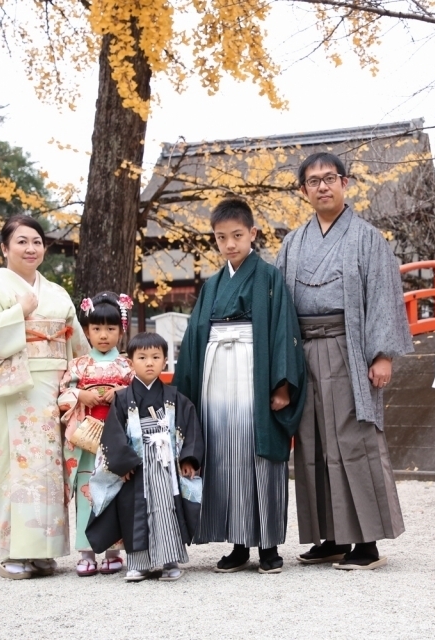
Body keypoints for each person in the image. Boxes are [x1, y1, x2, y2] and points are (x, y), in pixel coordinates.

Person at [276, 152, 413, 570]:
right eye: (313, 181)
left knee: (355, 441)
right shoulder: (292, 243)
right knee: (313, 443)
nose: (322, 186)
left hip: (349, 348)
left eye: (329, 178)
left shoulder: (367, 238)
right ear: (303, 191)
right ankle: (330, 537)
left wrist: (382, 354)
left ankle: (367, 542)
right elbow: (281, 307)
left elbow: (384, 300)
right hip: (304, 353)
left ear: (345, 183)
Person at [175, 197, 306, 574]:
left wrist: (282, 385)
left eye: (237, 235)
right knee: (223, 454)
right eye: (221, 238)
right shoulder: (213, 284)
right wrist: (188, 395)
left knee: (257, 454)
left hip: (254, 369)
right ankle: (237, 542)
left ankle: (267, 544)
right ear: (214, 240)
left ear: (253, 233)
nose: (230, 244)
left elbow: (283, 329)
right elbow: (197, 335)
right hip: (217, 376)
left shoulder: (269, 277)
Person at [0, 214, 90, 580]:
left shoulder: (56, 292)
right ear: (5, 248)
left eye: (36, 241)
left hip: (51, 387)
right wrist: (17, 313)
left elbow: (75, 343)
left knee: (49, 468)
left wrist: (78, 382)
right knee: (13, 468)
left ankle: (43, 551)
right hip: (11, 389)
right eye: (21, 241)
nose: (30, 248)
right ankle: (12, 553)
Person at [86, 332, 203, 582]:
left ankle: (170, 560)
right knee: (135, 511)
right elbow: (113, 434)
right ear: (131, 362)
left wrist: (187, 459)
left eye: (155, 357)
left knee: (166, 507)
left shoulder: (176, 398)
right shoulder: (122, 398)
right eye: (142, 357)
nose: (149, 362)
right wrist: (122, 463)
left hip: (165, 461)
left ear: (164, 361)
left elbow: (189, 428)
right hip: (135, 465)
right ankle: (138, 563)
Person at [58, 292, 134, 577]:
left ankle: (114, 552)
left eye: (110, 329)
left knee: (114, 491)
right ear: (87, 331)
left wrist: (122, 394)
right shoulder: (79, 365)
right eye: (97, 329)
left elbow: (139, 393)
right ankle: (87, 551)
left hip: (115, 438)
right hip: (86, 439)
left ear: (120, 330)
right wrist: (80, 394)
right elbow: (63, 395)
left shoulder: (127, 366)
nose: (103, 335)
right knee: (87, 493)